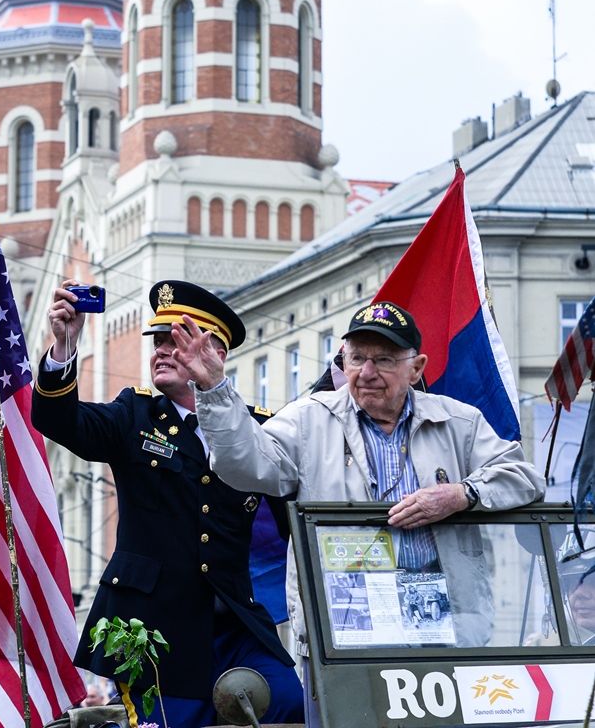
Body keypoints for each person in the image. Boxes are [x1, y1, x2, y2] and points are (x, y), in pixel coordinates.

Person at [171, 299, 545, 724]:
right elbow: (244, 465)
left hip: (445, 630)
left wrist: (462, 494)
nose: (366, 372)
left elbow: (524, 477)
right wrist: (215, 391)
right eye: (356, 358)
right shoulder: (308, 420)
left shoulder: (458, 422)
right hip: (344, 634)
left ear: (416, 368)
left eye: (383, 360)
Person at [32, 279, 303, 728]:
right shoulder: (135, 415)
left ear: (215, 353)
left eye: (175, 342)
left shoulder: (255, 429)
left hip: (234, 625)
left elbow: (300, 500)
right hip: (152, 629)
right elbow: (59, 420)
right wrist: (64, 346)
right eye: (156, 342)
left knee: (293, 704)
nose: (160, 351)